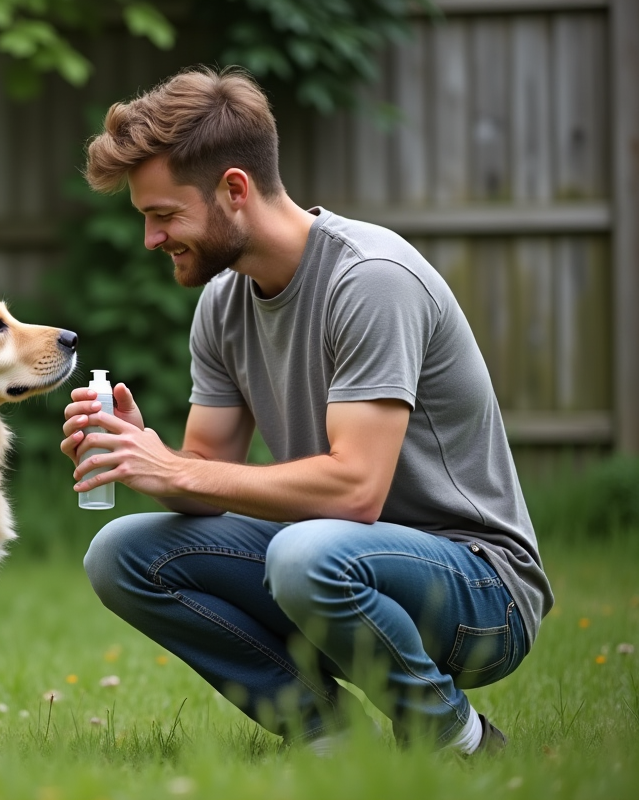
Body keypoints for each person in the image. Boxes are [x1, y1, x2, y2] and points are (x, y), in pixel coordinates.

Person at [60, 66, 552, 756]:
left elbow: (355, 491)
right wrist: (148, 455)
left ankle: (458, 741)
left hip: (480, 588)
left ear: (233, 190)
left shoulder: (371, 280)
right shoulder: (223, 304)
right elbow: (205, 476)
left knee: (305, 551)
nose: (151, 239)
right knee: (121, 554)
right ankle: (331, 744)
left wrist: (179, 472)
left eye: (163, 215)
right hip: (335, 563)